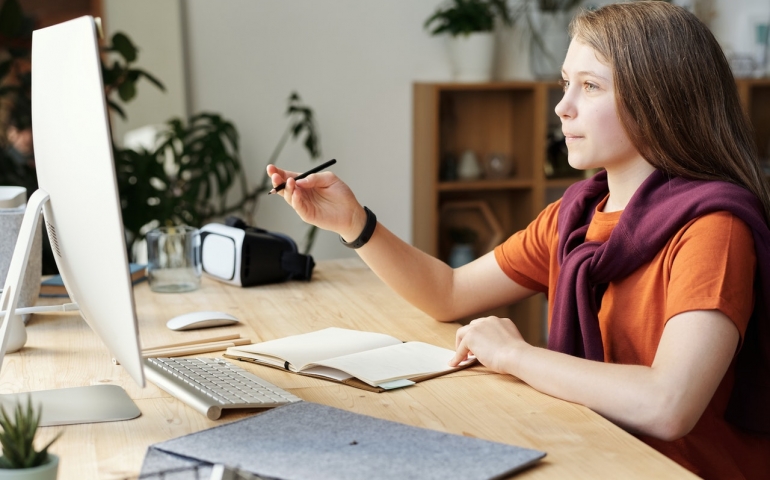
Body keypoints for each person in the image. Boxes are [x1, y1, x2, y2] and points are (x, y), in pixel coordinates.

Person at [267, 2, 770, 478]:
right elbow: (449, 293)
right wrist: (355, 222)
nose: (562, 108)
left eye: (590, 86)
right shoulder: (574, 218)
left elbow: (668, 405)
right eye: (565, 84)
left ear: (661, 101)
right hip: (599, 455)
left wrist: (516, 354)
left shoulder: (713, 230)